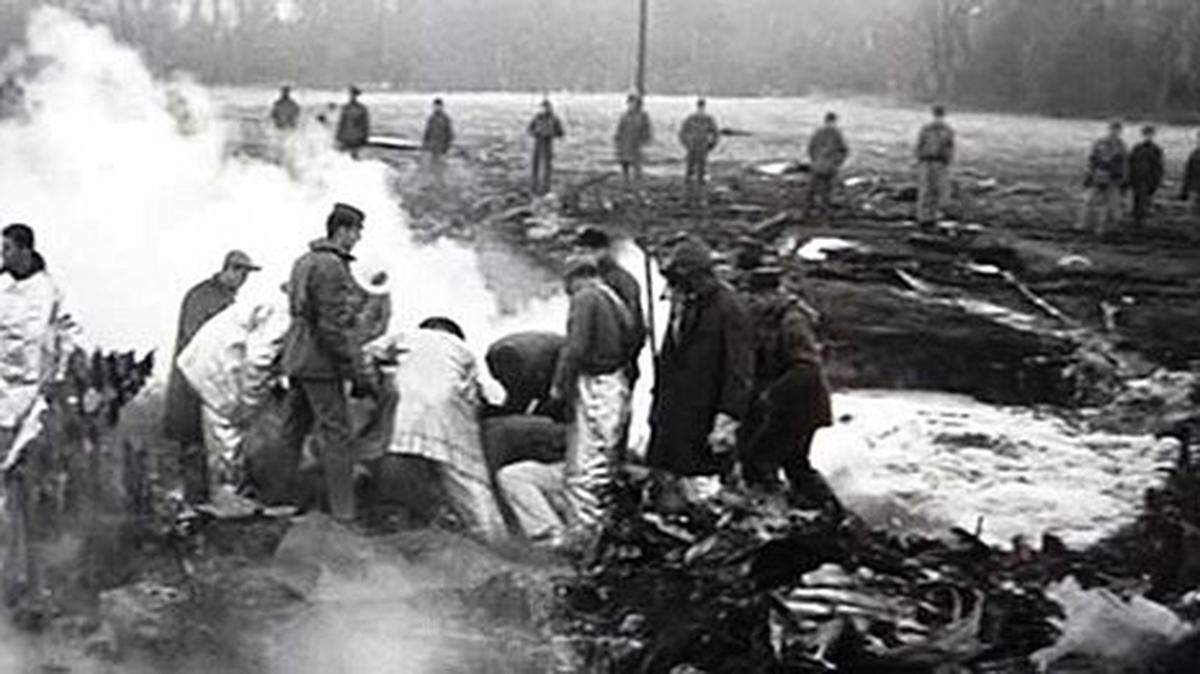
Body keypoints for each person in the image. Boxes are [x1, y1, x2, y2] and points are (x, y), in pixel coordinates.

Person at [363, 317, 507, 540]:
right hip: (446, 413)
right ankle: (494, 539)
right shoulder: (464, 350)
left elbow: (366, 353)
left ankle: (384, 522)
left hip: (404, 412)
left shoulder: (406, 336)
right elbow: (474, 396)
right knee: (467, 479)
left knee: (393, 463)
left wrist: (375, 386)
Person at [0, 224, 79, 609]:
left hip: (34, 399)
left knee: (25, 490)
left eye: (7, 250)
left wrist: (57, 381)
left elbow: (68, 335)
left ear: (25, 250)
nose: (2, 258)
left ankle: (25, 578)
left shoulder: (50, 290)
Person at [279, 203, 374, 522]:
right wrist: (356, 371)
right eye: (356, 231)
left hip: (297, 357)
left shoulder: (303, 261)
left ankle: (278, 498)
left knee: (293, 430)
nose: (358, 238)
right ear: (343, 230)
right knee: (337, 435)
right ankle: (344, 513)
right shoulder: (332, 266)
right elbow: (333, 326)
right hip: (320, 362)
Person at [647, 236, 753, 479]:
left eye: (681, 280)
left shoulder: (729, 308)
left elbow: (740, 370)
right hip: (673, 413)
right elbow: (671, 358)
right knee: (666, 483)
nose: (676, 288)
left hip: (704, 415)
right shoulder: (686, 304)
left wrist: (727, 418)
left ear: (698, 275)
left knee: (702, 486)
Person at [737, 265, 839, 512]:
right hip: (788, 407)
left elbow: (806, 368)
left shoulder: (791, 320)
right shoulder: (769, 317)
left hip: (801, 405)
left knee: (760, 460)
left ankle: (774, 513)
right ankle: (822, 510)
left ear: (769, 294)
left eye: (753, 296)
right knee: (793, 464)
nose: (749, 302)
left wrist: (769, 394)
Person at [549, 257, 637, 539]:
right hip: (616, 382)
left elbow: (575, 348)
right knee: (607, 460)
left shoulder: (586, 298)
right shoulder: (613, 297)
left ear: (574, 279)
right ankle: (605, 530)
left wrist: (559, 387)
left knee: (584, 468)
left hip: (597, 385)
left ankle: (584, 534)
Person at [164, 251, 260, 504]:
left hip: (213, 380)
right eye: (240, 273)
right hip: (194, 378)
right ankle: (195, 502)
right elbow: (199, 340)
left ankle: (214, 498)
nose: (243, 279)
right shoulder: (202, 296)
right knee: (194, 441)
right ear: (228, 269)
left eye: (246, 275)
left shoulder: (226, 298)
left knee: (213, 443)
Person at [572, 227, 646, 384]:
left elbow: (634, 326)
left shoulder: (620, 281)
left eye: (585, 252)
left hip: (613, 366)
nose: (580, 257)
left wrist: (626, 359)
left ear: (602, 250)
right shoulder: (592, 278)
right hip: (600, 364)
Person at [1081, 120, 1128, 235]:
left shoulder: (1121, 145)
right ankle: (1085, 225)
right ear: (1109, 129)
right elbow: (1091, 159)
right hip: (1098, 175)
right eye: (1113, 129)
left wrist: (1123, 178)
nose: (1114, 132)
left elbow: (1124, 163)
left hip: (1113, 178)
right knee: (1089, 201)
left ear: (1120, 131)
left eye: (1117, 130)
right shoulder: (1100, 142)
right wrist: (1089, 173)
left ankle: (1103, 228)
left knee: (1110, 205)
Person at [914, 105, 956, 226]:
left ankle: (932, 216)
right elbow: (919, 145)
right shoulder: (928, 129)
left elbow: (950, 147)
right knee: (926, 190)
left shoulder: (946, 130)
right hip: (928, 162)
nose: (938, 119)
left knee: (937, 190)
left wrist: (948, 161)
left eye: (939, 116)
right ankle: (924, 217)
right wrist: (919, 159)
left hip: (938, 162)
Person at [807, 112, 850, 217]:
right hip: (830, 165)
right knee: (828, 187)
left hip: (818, 164)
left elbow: (811, 148)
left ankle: (811, 207)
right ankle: (825, 209)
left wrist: (814, 160)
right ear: (834, 121)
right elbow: (844, 150)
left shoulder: (818, 133)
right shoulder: (836, 133)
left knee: (815, 186)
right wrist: (838, 162)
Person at [678, 98, 720, 198]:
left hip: (702, 147)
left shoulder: (708, 119)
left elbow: (715, 133)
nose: (700, 110)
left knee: (701, 170)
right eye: (699, 107)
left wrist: (711, 145)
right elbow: (682, 133)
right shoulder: (691, 119)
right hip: (693, 147)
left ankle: (700, 193)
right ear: (697, 107)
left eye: (702, 107)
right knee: (690, 169)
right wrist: (686, 144)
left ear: (704, 107)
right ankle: (688, 192)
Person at [1128, 125, 1164, 228]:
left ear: (1153, 135)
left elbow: (1159, 167)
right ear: (1142, 135)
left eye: (1150, 134)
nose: (1148, 137)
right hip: (1137, 180)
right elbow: (1130, 163)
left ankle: (1142, 222)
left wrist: (1156, 181)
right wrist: (1130, 178)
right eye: (1146, 134)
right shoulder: (1136, 148)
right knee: (1136, 201)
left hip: (1149, 181)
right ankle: (1136, 222)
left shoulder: (1156, 150)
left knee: (1146, 201)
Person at [528, 98, 565, 196]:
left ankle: (545, 188)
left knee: (546, 166)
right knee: (536, 165)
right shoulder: (537, 118)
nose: (544, 109)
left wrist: (551, 133)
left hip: (547, 143)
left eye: (546, 107)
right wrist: (536, 132)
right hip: (538, 142)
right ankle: (534, 187)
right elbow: (529, 130)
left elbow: (560, 132)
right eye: (543, 107)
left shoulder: (554, 119)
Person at [615, 93, 653, 186]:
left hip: (636, 142)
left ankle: (637, 180)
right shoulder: (624, 115)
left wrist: (645, 139)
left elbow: (646, 129)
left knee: (636, 162)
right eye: (630, 103)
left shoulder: (643, 116)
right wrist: (618, 139)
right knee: (624, 161)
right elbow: (620, 128)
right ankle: (626, 179)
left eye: (634, 103)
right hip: (625, 141)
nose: (632, 105)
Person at [423, 98, 455, 173]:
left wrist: (447, 146)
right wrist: (425, 144)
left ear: (442, 107)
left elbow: (450, 133)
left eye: (438, 106)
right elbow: (427, 132)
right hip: (433, 146)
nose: (436, 108)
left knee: (442, 166)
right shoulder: (431, 118)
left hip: (442, 147)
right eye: (435, 106)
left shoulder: (446, 119)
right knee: (433, 166)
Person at [335, 86, 370, 154]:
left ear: (356, 95)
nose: (351, 96)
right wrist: (338, 137)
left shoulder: (362, 108)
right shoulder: (345, 108)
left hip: (356, 137)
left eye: (353, 94)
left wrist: (365, 137)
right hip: (346, 137)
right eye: (350, 94)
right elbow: (341, 123)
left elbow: (365, 124)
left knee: (352, 156)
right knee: (344, 157)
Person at [1180, 131, 1200, 220]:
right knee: (1192, 217)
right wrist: (1184, 190)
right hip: (1194, 189)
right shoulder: (1194, 154)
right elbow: (1188, 173)